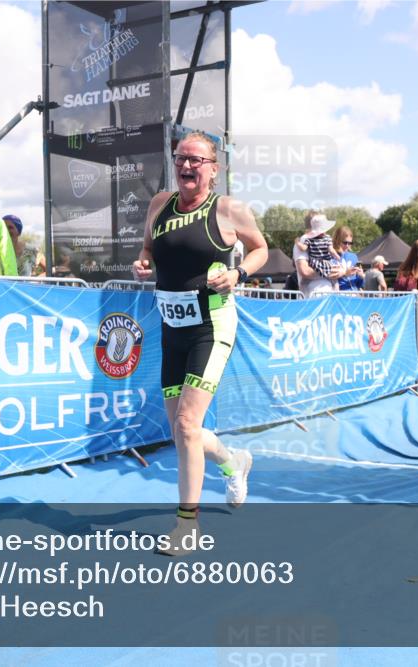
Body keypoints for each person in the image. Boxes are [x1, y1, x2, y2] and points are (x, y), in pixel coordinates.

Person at [132, 131, 267, 555]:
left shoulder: (228, 209)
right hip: (173, 329)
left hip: (212, 325)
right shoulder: (160, 204)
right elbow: (149, 248)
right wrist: (144, 262)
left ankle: (186, 526)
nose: (187, 166)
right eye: (181, 158)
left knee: (188, 426)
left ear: (214, 168)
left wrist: (239, 274)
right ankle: (234, 462)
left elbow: (260, 248)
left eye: (196, 160)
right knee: (181, 431)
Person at [293, 210, 343, 298]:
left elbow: (338, 269)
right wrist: (329, 271)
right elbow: (305, 271)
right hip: (315, 293)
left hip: (324, 292)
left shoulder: (324, 238)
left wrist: (341, 271)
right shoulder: (304, 239)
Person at [296, 213, 341, 278]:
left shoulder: (309, 239)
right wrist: (338, 257)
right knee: (334, 277)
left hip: (315, 263)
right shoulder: (327, 238)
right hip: (326, 262)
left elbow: (303, 248)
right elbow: (331, 250)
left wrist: (298, 243)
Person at [332, 226, 364, 291]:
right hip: (339, 295)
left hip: (354, 295)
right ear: (337, 240)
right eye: (345, 242)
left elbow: (359, 284)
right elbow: (331, 275)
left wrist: (361, 277)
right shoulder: (331, 256)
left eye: (350, 243)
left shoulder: (353, 256)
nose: (347, 245)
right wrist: (345, 273)